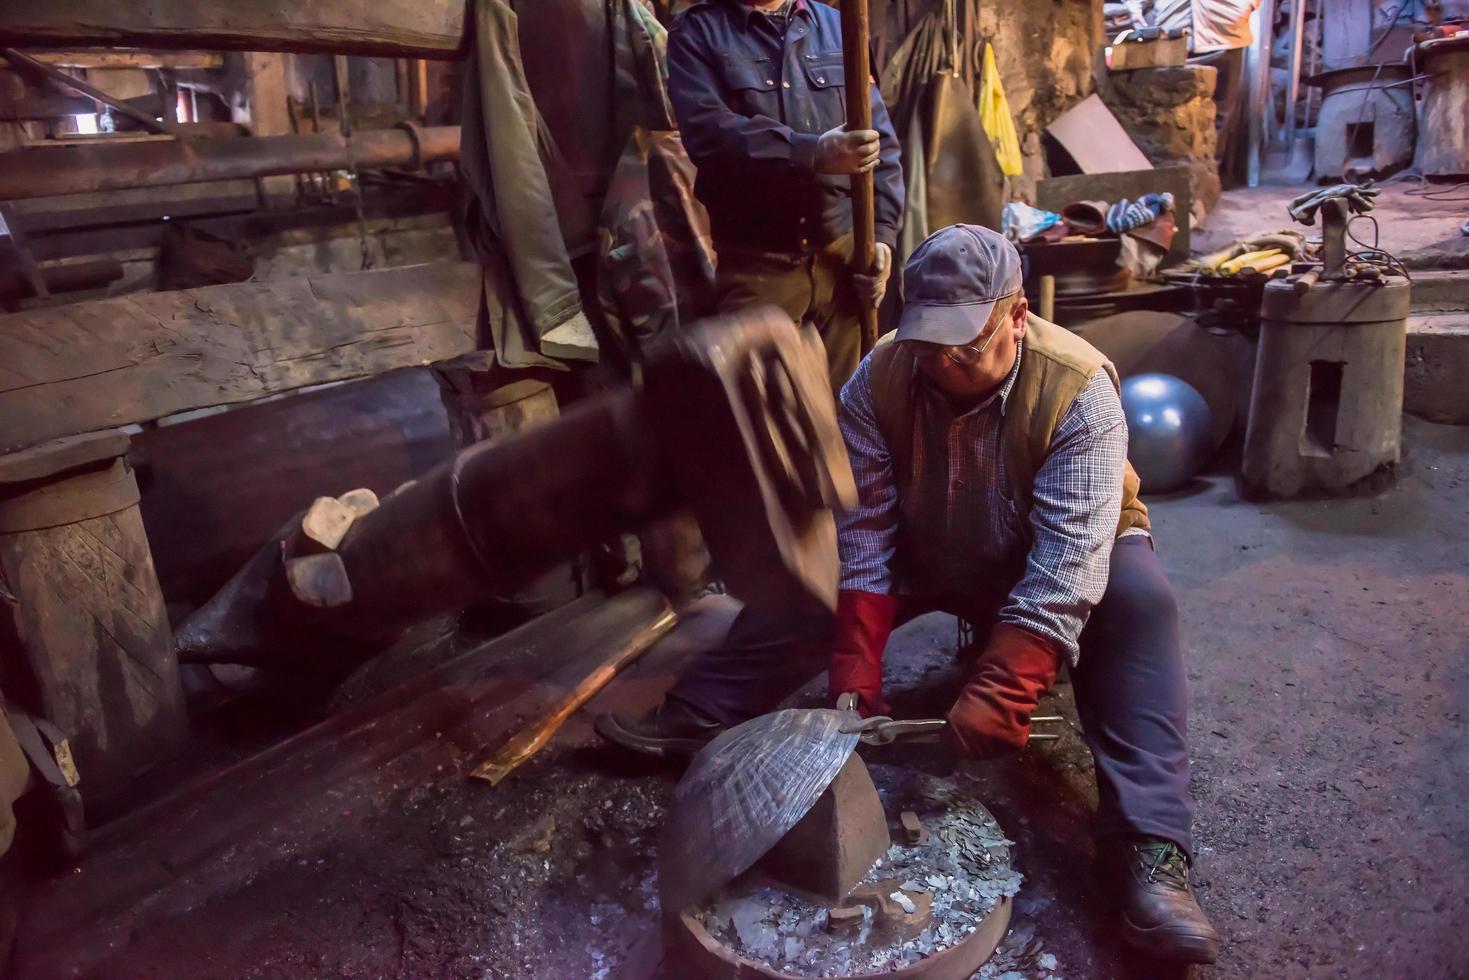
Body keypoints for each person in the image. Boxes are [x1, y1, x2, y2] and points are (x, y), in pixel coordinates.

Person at [597, 224, 1221, 965]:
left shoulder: (1080, 388)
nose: (944, 361)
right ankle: (707, 711)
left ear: (1016, 315)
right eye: (928, 340)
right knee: (811, 582)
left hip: (1047, 550)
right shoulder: (880, 376)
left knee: (1139, 605)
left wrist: (1011, 676)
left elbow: (1067, 559)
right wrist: (857, 657)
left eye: (966, 343)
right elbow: (864, 533)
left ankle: (1150, 856)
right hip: (931, 544)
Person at [667, 0, 905, 391]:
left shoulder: (840, 26)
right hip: (759, 267)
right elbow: (709, 133)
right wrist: (810, 151)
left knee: (848, 412)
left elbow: (881, 145)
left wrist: (882, 236)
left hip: (841, 261)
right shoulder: (698, 32)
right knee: (768, 423)